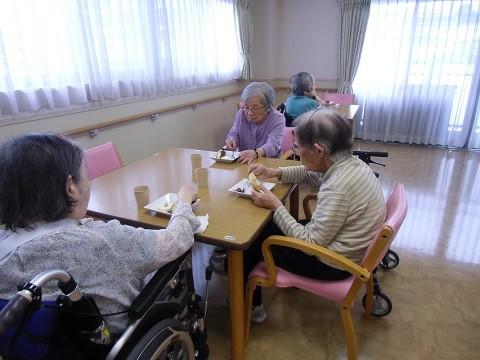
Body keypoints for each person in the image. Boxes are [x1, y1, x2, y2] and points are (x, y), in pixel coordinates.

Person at [0, 133, 200, 333]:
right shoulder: (102, 239)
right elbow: (177, 239)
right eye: (86, 174)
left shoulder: (6, 247)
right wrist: (183, 200)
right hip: (119, 334)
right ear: (71, 187)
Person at [245, 108, 386, 323]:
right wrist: (275, 172)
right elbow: (312, 174)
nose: (296, 152)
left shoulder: (338, 187)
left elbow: (310, 243)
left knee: (253, 238)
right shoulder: (350, 165)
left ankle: (248, 306)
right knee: (270, 226)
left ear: (319, 150)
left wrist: (276, 206)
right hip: (345, 246)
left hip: (333, 263)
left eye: (297, 147)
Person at [225, 82, 285, 164]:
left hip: (269, 163)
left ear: (268, 107)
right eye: (246, 107)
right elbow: (234, 133)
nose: (249, 113)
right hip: (244, 162)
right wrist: (232, 140)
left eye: (255, 108)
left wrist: (256, 153)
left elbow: (273, 144)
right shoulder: (241, 113)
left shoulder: (277, 118)